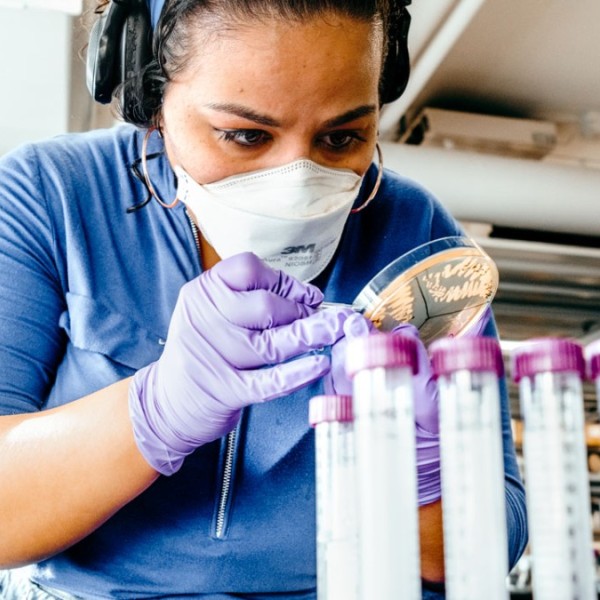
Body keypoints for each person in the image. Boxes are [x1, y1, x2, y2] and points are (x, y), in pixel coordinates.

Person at [0, 0, 527, 598]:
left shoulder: (417, 235)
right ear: (151, 100)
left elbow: (489, 550)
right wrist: (152, 412)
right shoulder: (51, 196)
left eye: (342, 137)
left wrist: (424, 477)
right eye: (245, 135)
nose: (298, 179)